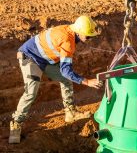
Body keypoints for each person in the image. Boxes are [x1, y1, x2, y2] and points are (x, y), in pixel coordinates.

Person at [9, 16, 103, 144]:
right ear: (79, 32)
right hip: (30, 57)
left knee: (66, 80)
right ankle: (16, 123)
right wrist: (87, 81)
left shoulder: (69, 29)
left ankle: (70, 113)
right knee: (31, 91)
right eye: (87, 36)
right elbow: (66, 70)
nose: (89, 39)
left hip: (46, 59)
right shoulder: (68, 41)